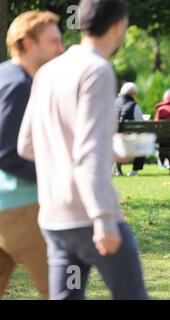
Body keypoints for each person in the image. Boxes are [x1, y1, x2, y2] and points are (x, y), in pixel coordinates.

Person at [18, 0, 149, 300]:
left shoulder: (47, 72)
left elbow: (27, 144)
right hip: (90, 218)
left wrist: (103, 150)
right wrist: (103, 217)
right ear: (118, 28)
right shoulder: (97, 71)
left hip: (54, 219)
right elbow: (88, 152)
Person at [0, 10, 64, 299]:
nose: (60, 49)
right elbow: (7, 153)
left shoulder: (5, 76)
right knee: (63, 292)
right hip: (23, 209)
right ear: (27, 44)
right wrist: (59, 175)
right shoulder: (20, 87)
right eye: (53, 42)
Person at [115, 82, 146, 177]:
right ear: (133, 94)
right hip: (128, 140)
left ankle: (118, 170)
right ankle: (135, 170)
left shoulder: (113, 103)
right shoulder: (133, 105)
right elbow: (140, 124)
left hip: (112, 139)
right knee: (142, 139)